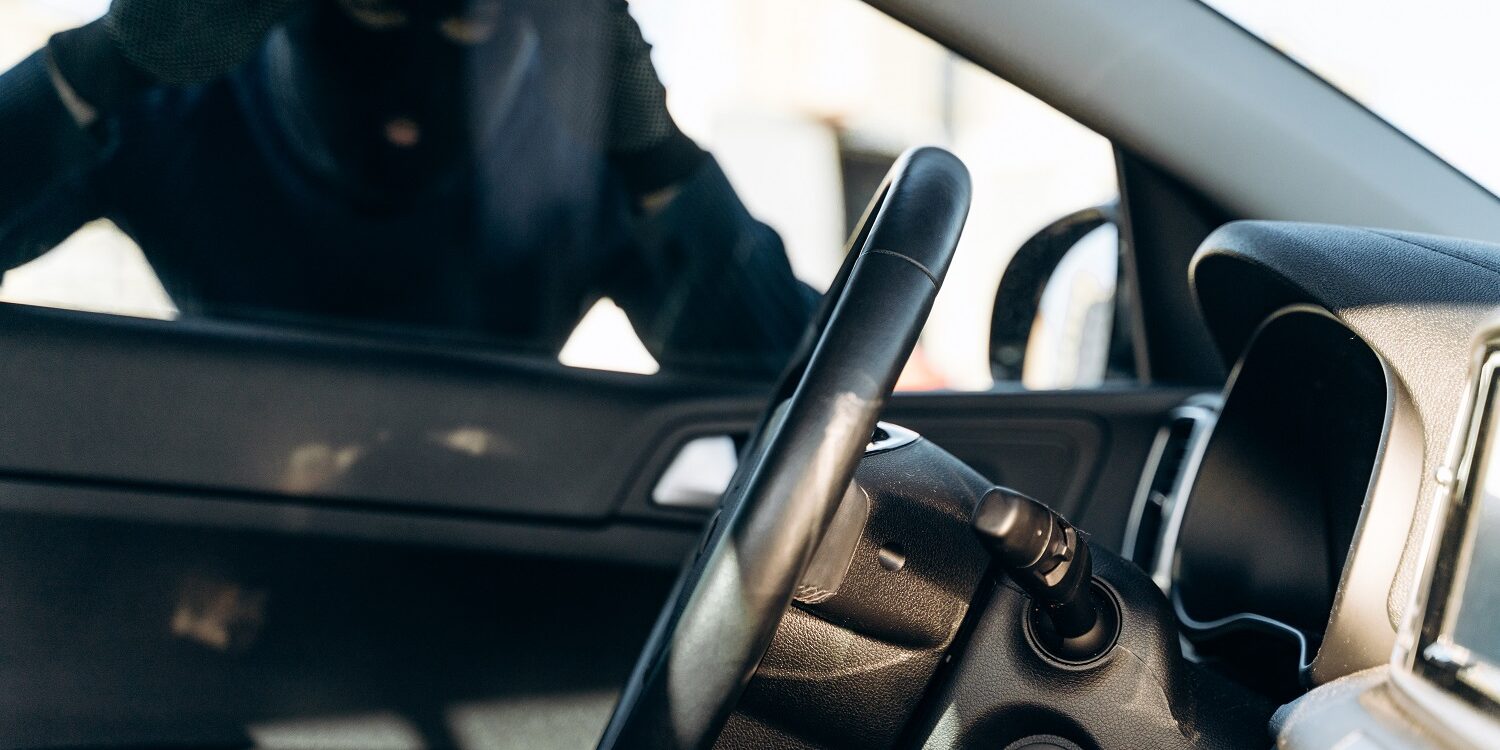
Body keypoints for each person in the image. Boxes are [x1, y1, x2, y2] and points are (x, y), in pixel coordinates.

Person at [0, 0, 818, 377]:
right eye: (377, 9)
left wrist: (654, 155)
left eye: (465, 19)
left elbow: (801, 403)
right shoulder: (180, 98)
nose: (414, 76)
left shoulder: (576, 146)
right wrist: (99, 64)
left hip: (486, 577)